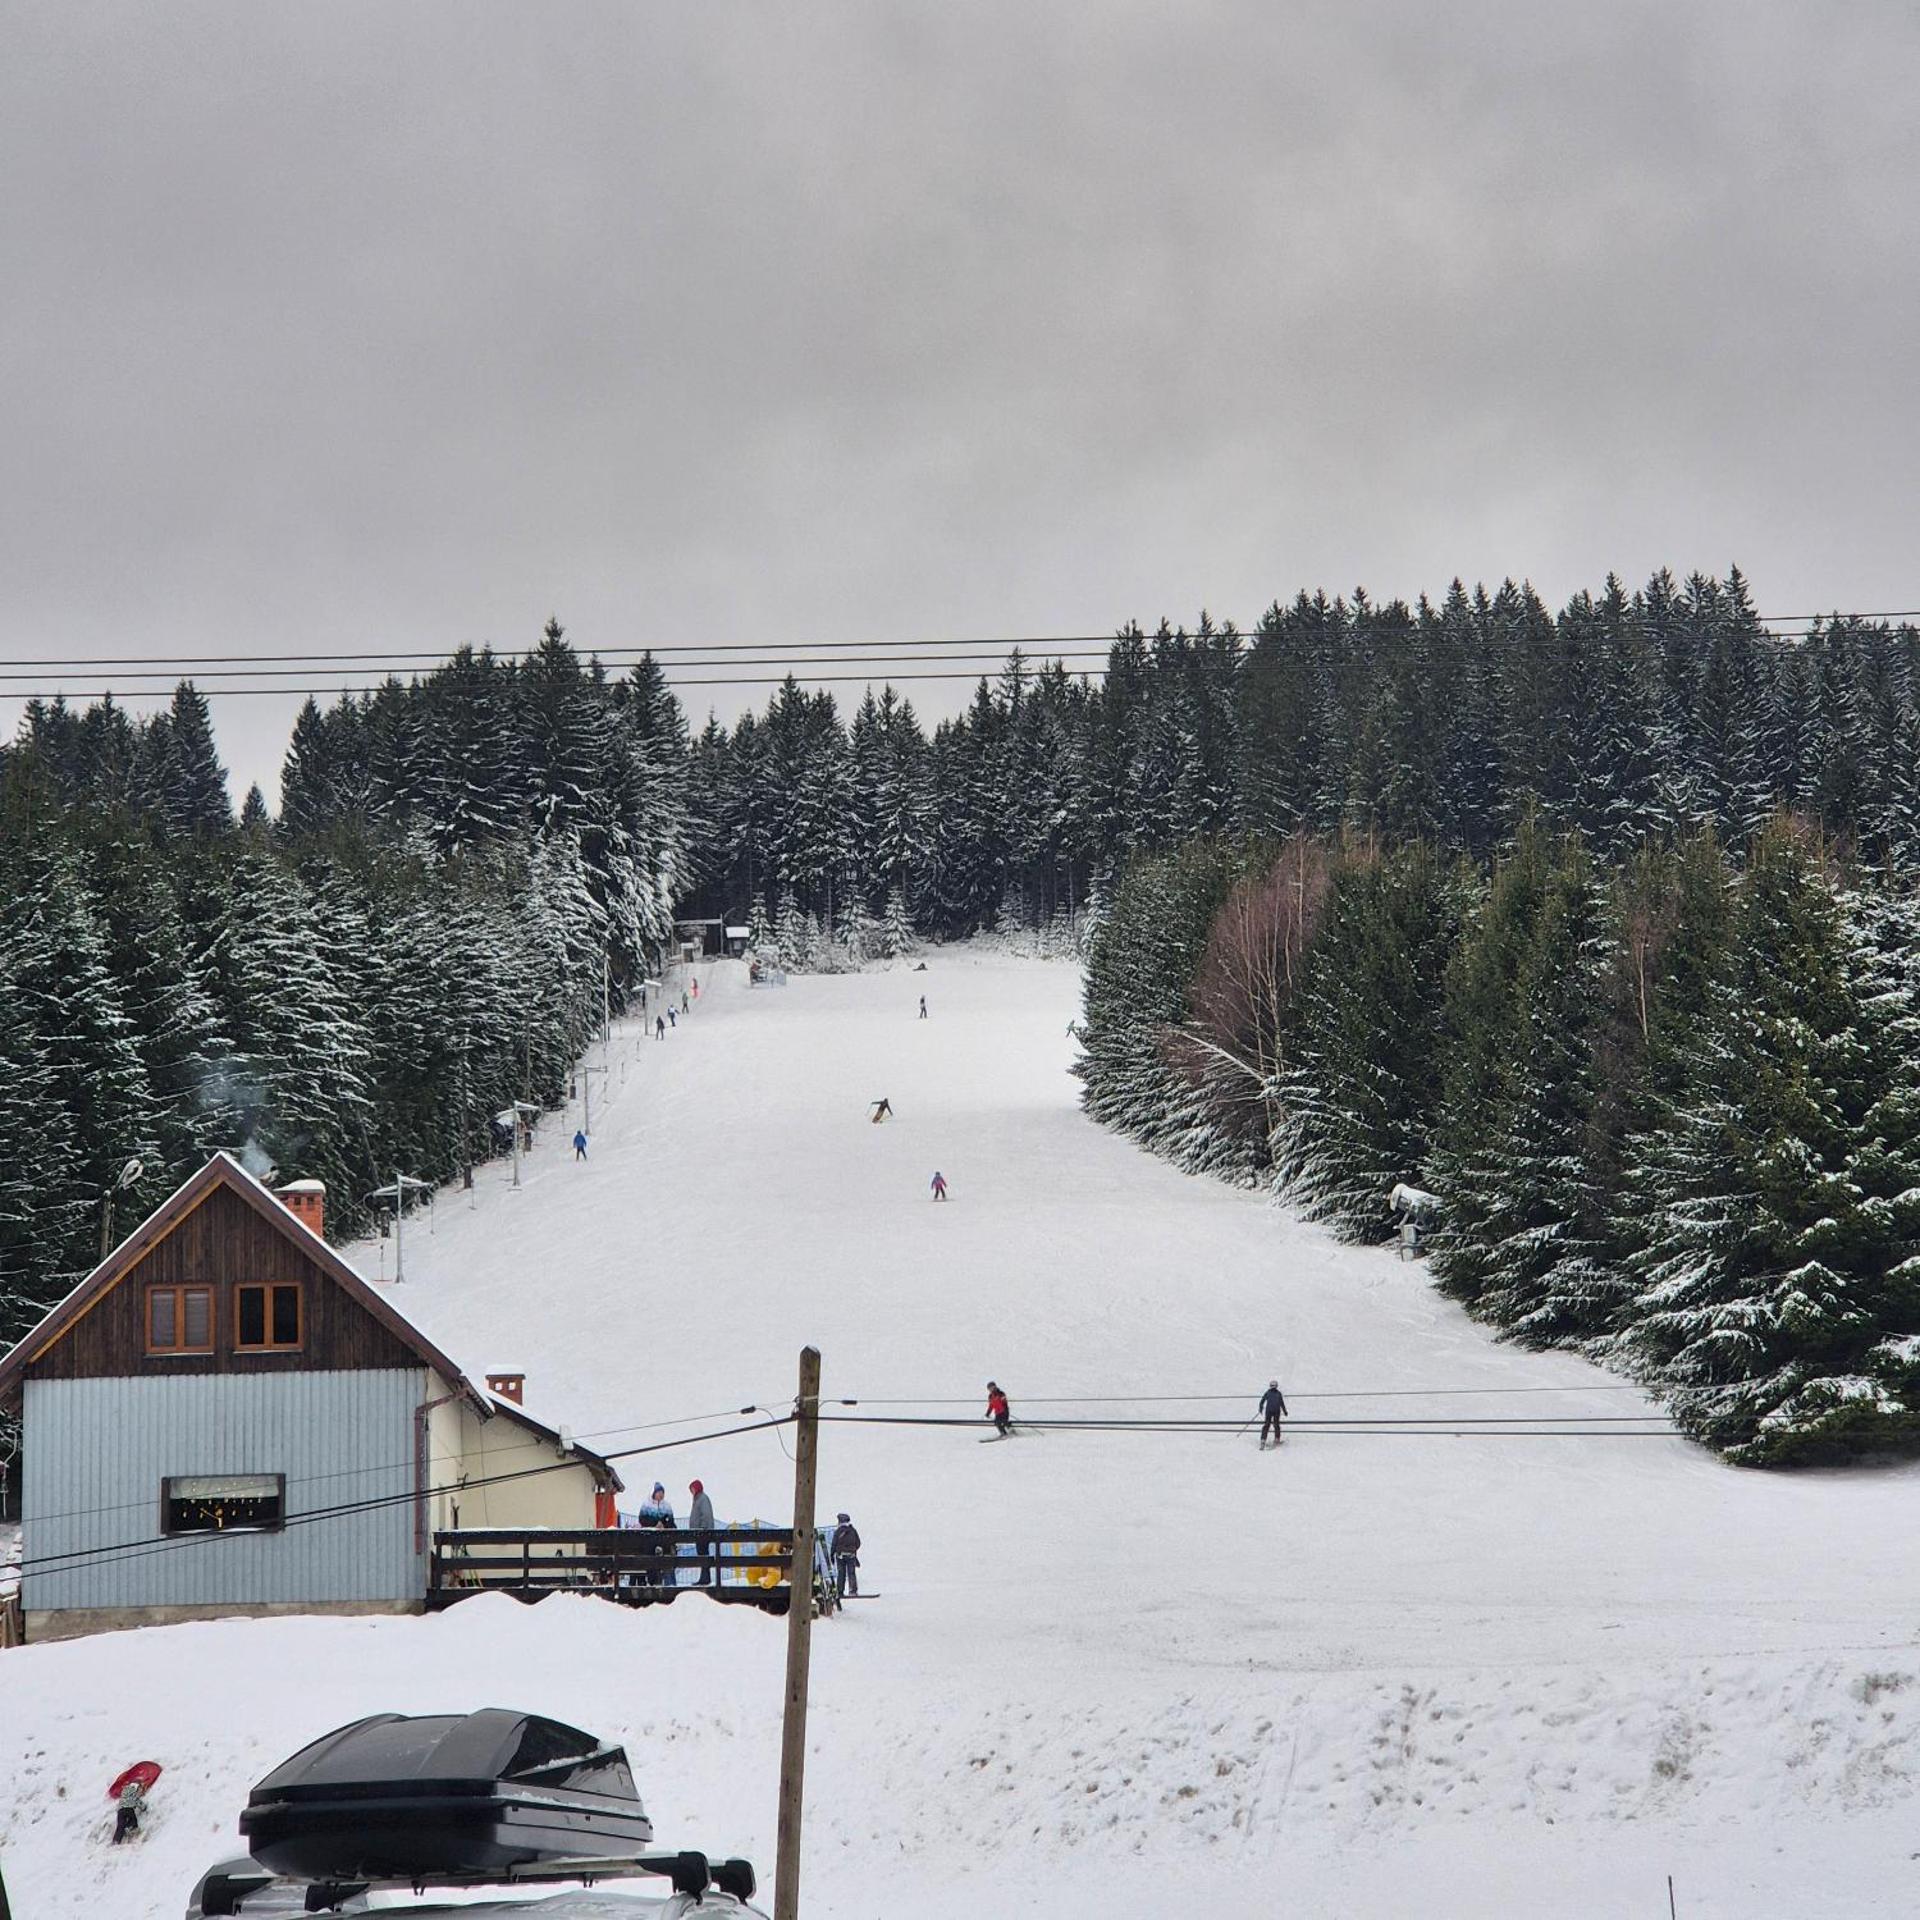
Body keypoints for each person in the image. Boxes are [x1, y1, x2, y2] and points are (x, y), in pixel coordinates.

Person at [638, 1481, 677, 1587]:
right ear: (654, 1493)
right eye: (659, 1492)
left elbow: (671, 1521)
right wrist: (654, 1524)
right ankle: (652, 1581)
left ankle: (667, 1581)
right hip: (649, 1536)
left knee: (666, 1556)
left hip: (664, 1537)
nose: (661, 1494)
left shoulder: (667, 1506)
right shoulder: (646, 1504)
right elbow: (642, 1519)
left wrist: (664, 1525)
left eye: (662, 1492)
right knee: (650, 1557)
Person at [687, 1478, 716, 1586]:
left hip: (703, 1533)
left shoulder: (702, 1499)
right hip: (699, 1533)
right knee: (702, 1555)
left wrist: (702, 1529)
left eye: (692, 1489)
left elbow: (706, 1515)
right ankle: (704, 1577)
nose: (692, 1492)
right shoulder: (698, 1499)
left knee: (703, 1554)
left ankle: (705, 1578)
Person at [830, 1511, 862, 1598]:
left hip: (840, 1556)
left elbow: (834, 1544)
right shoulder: (853, 1530)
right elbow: (858, 1543)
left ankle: (840, 1591)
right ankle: (853, 1590)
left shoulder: (838, 1531)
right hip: (851, 1555)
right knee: (851, 1573)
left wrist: (832, 1554)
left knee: (841, 1574)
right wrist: (853, 1550)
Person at [1258, 1379, 1289, 1450]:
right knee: (1276, 1425)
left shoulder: (1268, 1392)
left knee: (1267, 1425)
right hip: (1276, 1411)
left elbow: (1262, 1401)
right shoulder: (1278, 1393)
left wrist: (1261, 1407)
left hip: (1269, 1411)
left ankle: (1263, 1439)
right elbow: (1282, 1403)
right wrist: (1285, 1411)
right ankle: (1277, 1438)